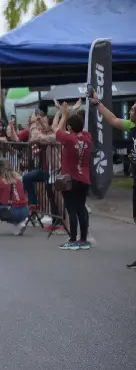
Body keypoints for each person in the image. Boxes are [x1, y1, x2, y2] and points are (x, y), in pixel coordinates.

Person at [88, 90, 136, 267]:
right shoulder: (132, 126)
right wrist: (97, 103)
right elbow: (113, 120)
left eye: (132, 109)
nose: (130, 111)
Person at [55, 102, 92, 250]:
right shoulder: (88, 137)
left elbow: (57, 130)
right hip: (84, 178)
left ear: (70, 128)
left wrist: (64, 115)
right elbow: (75, 128)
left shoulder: (69, 139)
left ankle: (72, 240)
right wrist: (73, 113)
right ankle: (83, 240)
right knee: (80, 208)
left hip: (70, 178)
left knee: (71, 209)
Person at [0, 159, 29, 236]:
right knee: (13, 204)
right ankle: (20, 223)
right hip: (25, 210)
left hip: (11, 211)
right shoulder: (19, 179)